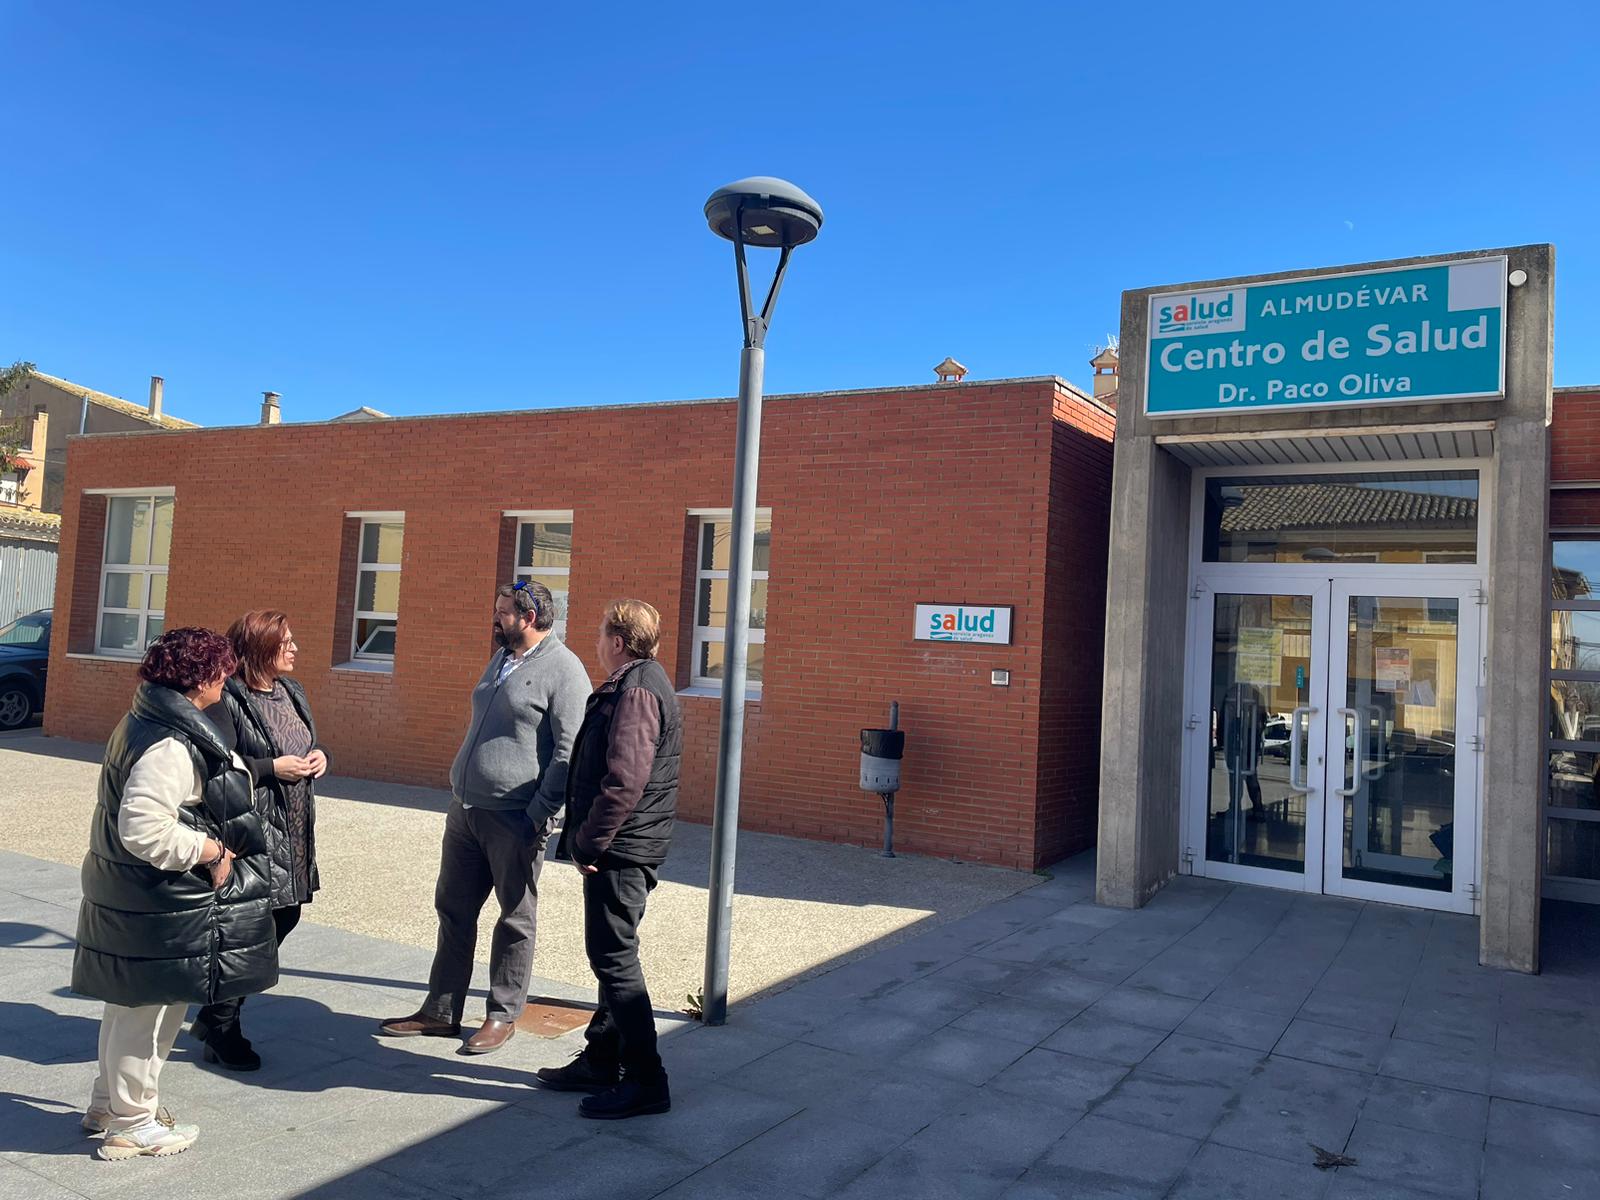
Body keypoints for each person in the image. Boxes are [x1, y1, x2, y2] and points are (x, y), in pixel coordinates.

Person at [72, 628, 277, 1161]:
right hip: (156, 900)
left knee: (129, 1006)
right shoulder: (169, 739)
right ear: (203, 678)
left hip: (134, 896)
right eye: (222, 672)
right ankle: (133, 1124)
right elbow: (142, 826)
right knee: (152, 1012)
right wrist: (209, 851)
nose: (228, 681)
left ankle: (108, 1107)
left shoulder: (146, 717)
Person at [380, 580, 590, 1053]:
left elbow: (568, 752)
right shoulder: (502, 658)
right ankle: (440, 1011)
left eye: (503, 613)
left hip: (514, 817)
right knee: (453, 910)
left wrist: (538, 814)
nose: (496, 620)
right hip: (467, 811)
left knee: (515, 917)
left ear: (529, 618)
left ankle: (502, 1013)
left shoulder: (565, 670)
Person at [538, 599, 681, 1120]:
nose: (595, 643)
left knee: (615, 961)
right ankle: (602, 1058)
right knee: (610, 957)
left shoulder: (638, 690)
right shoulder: (634, 682)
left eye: (600, 634)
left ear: (617, 641)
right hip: (622, 845)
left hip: (620, 850)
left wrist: (588, 843)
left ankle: (647, 1081)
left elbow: (624, 780)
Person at [192, 610, 327, 1070]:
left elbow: (303, 738)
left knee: (285, 916)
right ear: (260, 648)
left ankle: (215, 1015)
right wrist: (273, 769)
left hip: (293, 826)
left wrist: (317, 755)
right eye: (284, 641)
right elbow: (216, 764)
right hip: (254, 828)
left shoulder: (292, 691)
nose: (294, 648)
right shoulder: (227, 698)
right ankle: (223, 1026)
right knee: (253, 929)